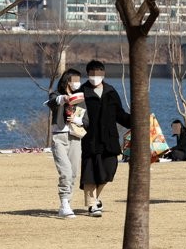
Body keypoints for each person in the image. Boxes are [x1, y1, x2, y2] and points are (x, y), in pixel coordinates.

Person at [79, 60, 131, 217]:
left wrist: (136, 120)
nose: (95, 77)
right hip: (90, 139)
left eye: (99, 73)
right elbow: (77, 115)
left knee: (108, 170)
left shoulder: (111, 91)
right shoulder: (82, 92)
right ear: (88, 74)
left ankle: (95, 199)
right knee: (90, 173)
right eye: (92, 74)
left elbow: (120, 115)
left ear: (103, 74)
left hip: (109, 139)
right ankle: (92, 205)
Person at [47, 68, 85, 218]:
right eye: (75, 80)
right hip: (60, 138)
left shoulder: (81, 98)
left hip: (75, 137)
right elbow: (52, 102)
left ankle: (67, 204)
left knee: (74, 173)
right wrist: (64, 99)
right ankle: (64, 203)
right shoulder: (56, 95)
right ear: (67, 81)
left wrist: (77, 120)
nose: (77, 83)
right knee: (66, 172)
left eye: (78, 80)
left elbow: (86, 119)